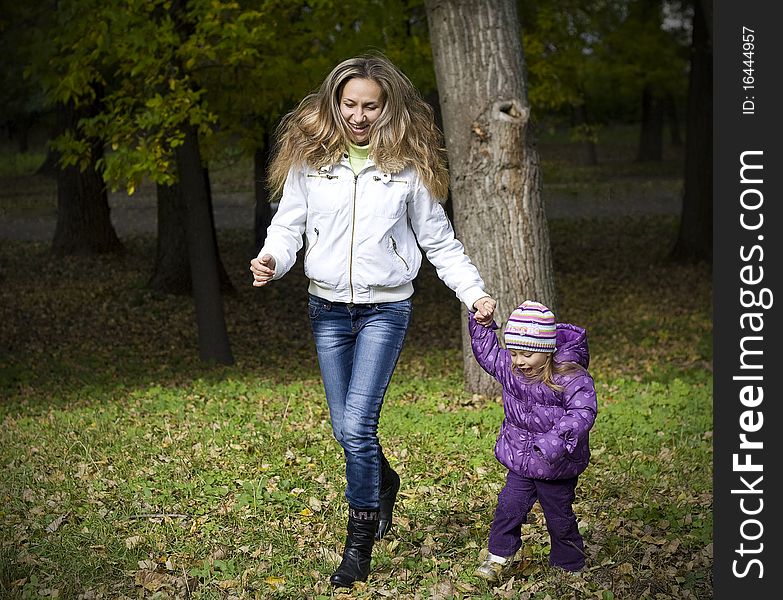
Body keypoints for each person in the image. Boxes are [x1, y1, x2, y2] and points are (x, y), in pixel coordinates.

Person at [249, 53, 497, 588]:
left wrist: (473, 293)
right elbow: (288, 226)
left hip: (386, 309)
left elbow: (439, 241)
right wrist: (273, 260)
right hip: (327, 308)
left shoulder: (408, 167)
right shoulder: (310, 160)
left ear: (388, 108)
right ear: (334, 103)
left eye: (370, 106)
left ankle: (357, 545)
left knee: (357, 427)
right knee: (346, 430)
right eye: (350, 104)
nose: (359, 116)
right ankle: (384, 482)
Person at [468, 300, 597, 581]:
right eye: (514, 353)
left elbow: (583, 410)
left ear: (546, 351)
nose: (519, 361)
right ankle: (499, 557)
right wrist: (482, 325)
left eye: (526, 354)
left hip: (556, 464)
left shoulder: (570, 375)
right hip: (521, 460)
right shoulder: (512, 369)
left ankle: (570, 563)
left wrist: (555, 442)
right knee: (509, 507)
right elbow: (488, 353)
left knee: (559, 517)